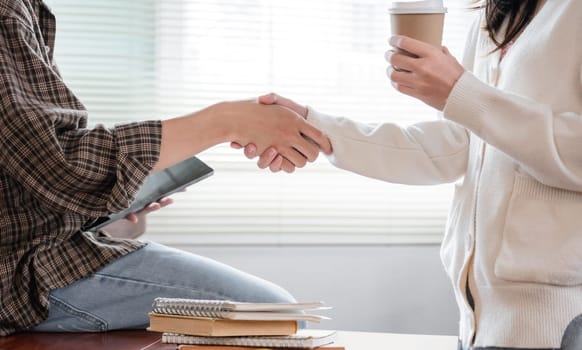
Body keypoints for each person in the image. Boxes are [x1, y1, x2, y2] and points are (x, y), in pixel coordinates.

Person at [234, 0, 582, 349]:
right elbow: (459, 145)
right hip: (478, 325)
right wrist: (316, 128)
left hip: (559, 322)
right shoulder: (501, 12)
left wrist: (460, 91)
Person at [0, 0, 332, 336]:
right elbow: (61, 166)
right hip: (18, 275)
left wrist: (104, 224)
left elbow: (29, 172)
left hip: (38, 248)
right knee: (271, 313)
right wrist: (226, 121)